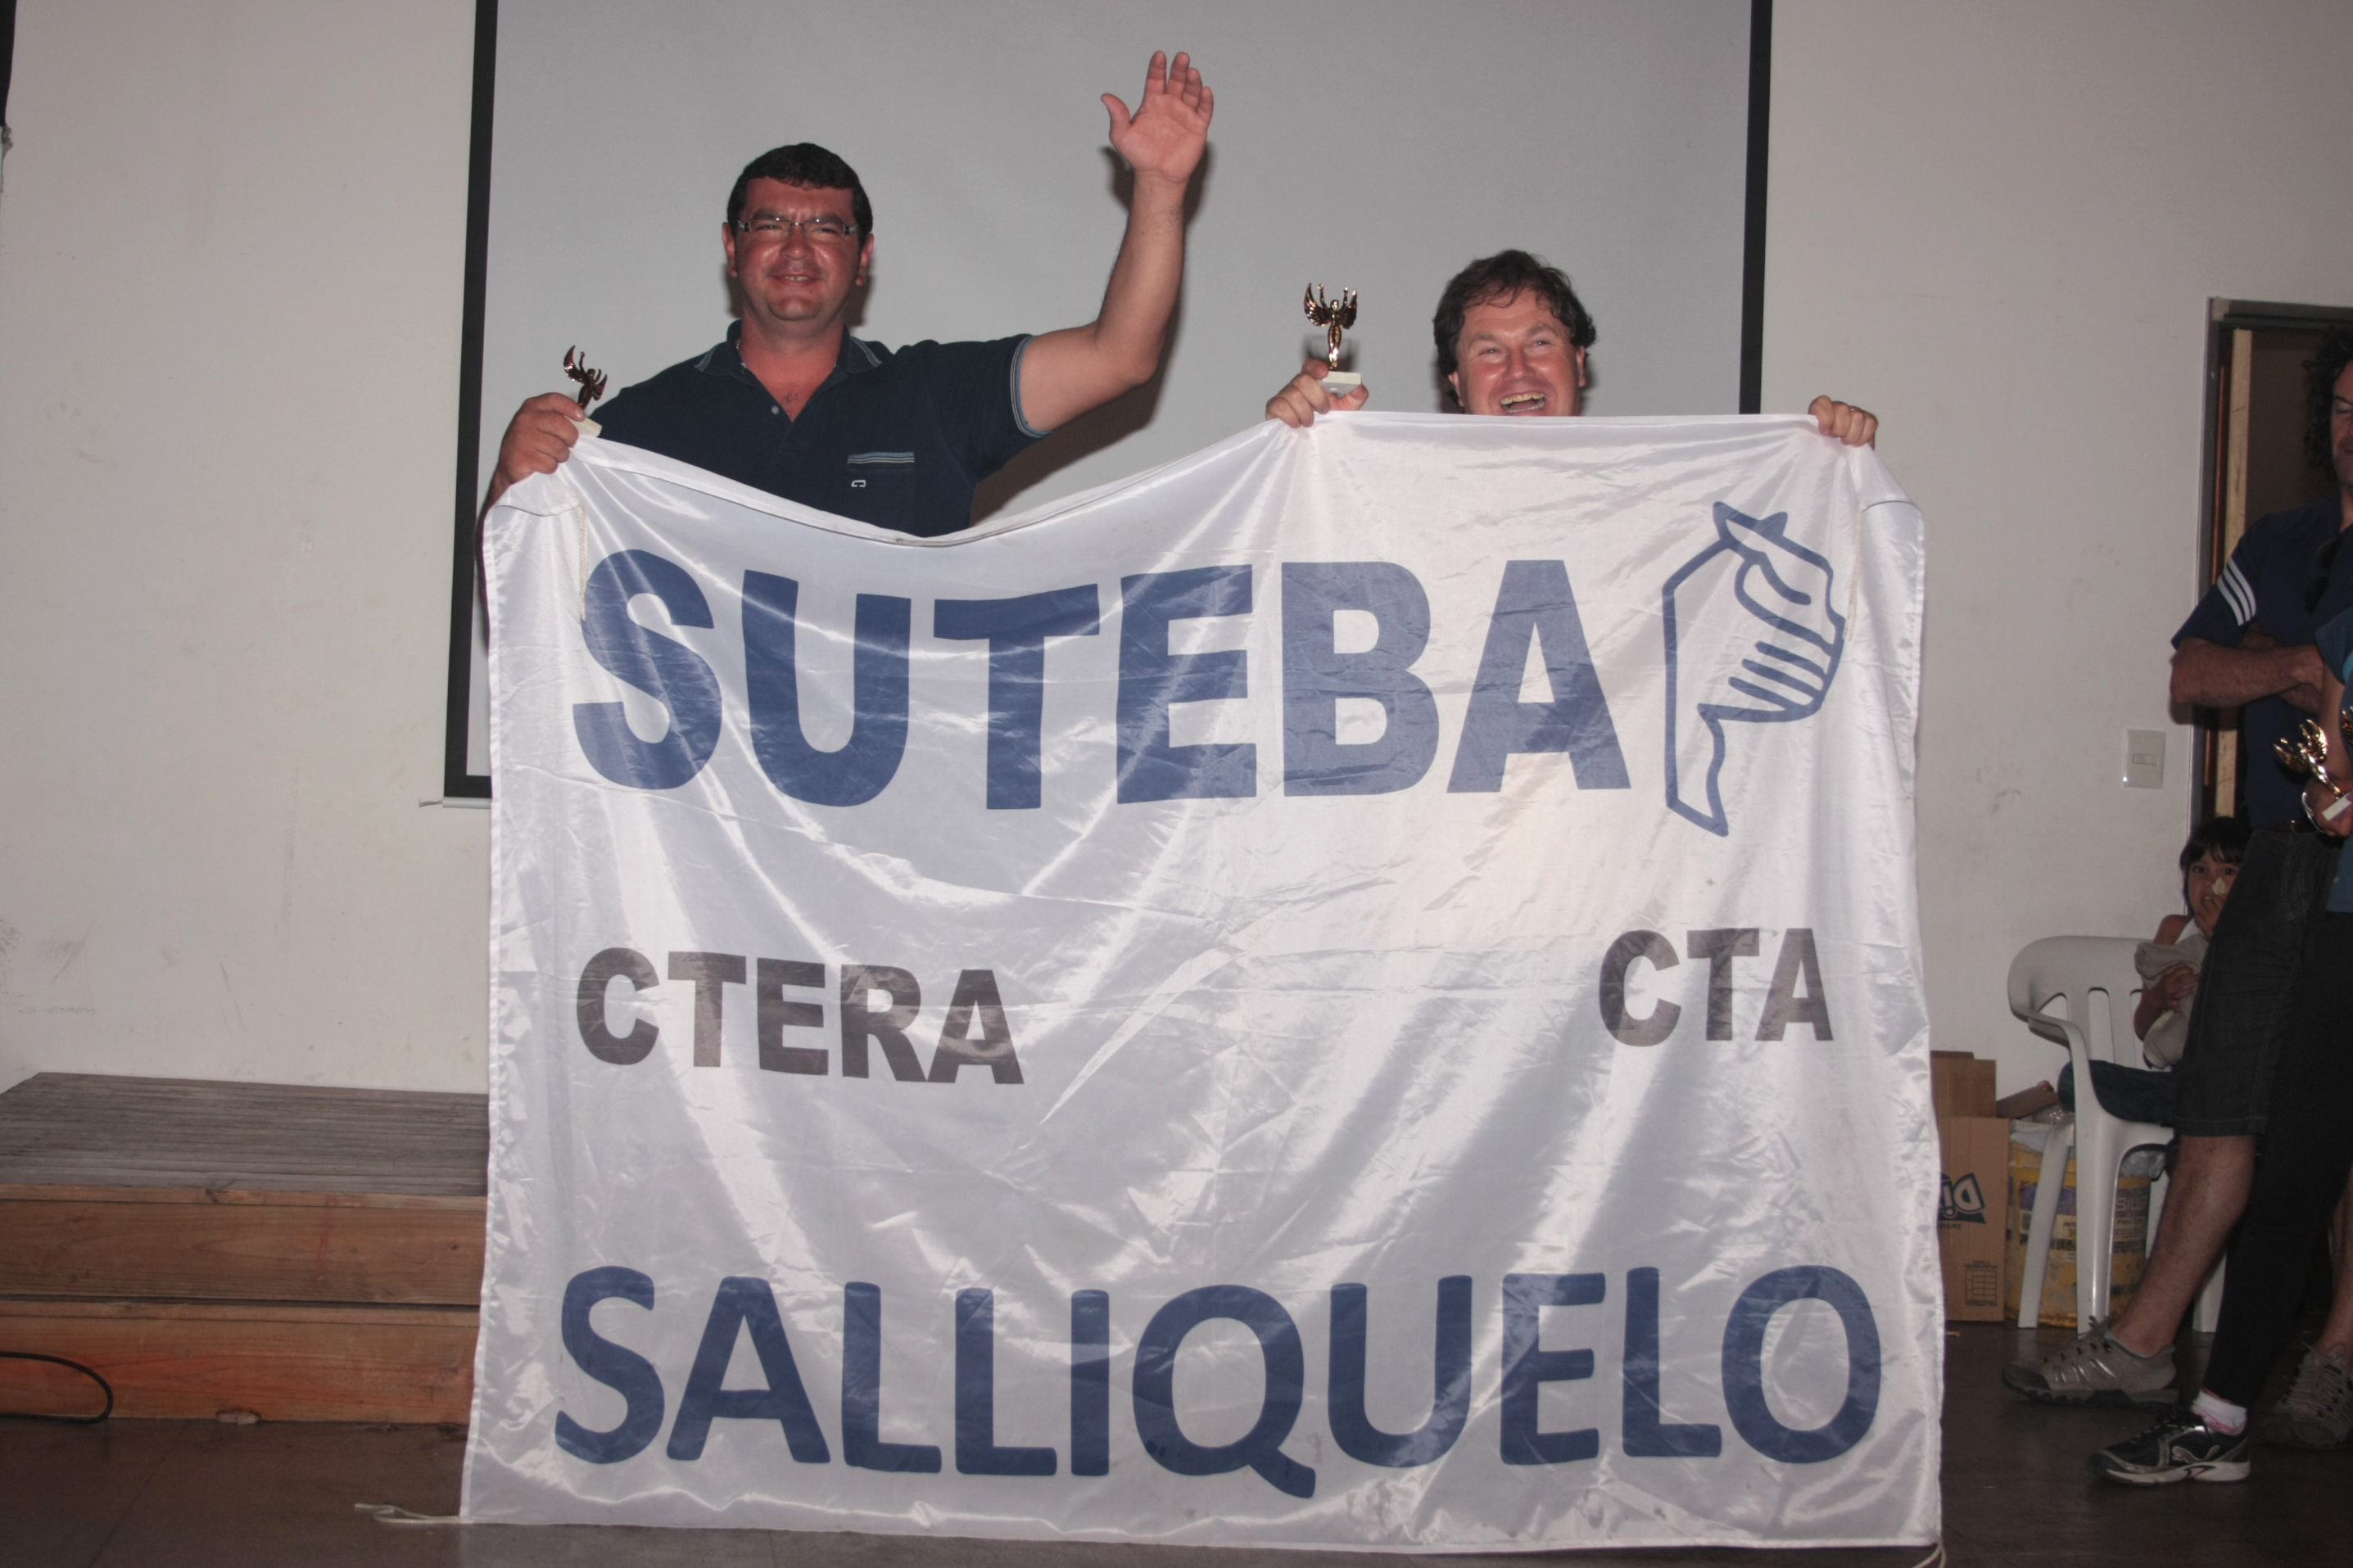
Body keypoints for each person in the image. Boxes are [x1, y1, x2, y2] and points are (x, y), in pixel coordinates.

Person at [2008, 335, 2353, 1430]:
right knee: (2220, 1103)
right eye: (2342, 406)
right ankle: (2145, 1346)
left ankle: (2332, 1359)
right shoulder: (2281, 540)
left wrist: (2304, 690)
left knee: (2329, 1128)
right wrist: (2295, 668)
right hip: (2280, 858)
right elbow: (2194, 671)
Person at [486, 51, 1214, 537]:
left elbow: (1119, 357)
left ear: (862, 258)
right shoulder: (645, 424)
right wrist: (509, 482)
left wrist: (1159, 186)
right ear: (732, 247)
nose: (797, 247)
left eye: (826, 228)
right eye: (770, 223)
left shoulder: (934, 396)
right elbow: (528, 598)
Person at [1262, 249, 1879, 445]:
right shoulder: (1398, 501)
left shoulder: (1660, 497)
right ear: (1455, 383)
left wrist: (1831, 471)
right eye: (1489, 352)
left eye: (1539, 342)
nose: (1519, 370)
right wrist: (1302, 452)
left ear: (1579, 363)